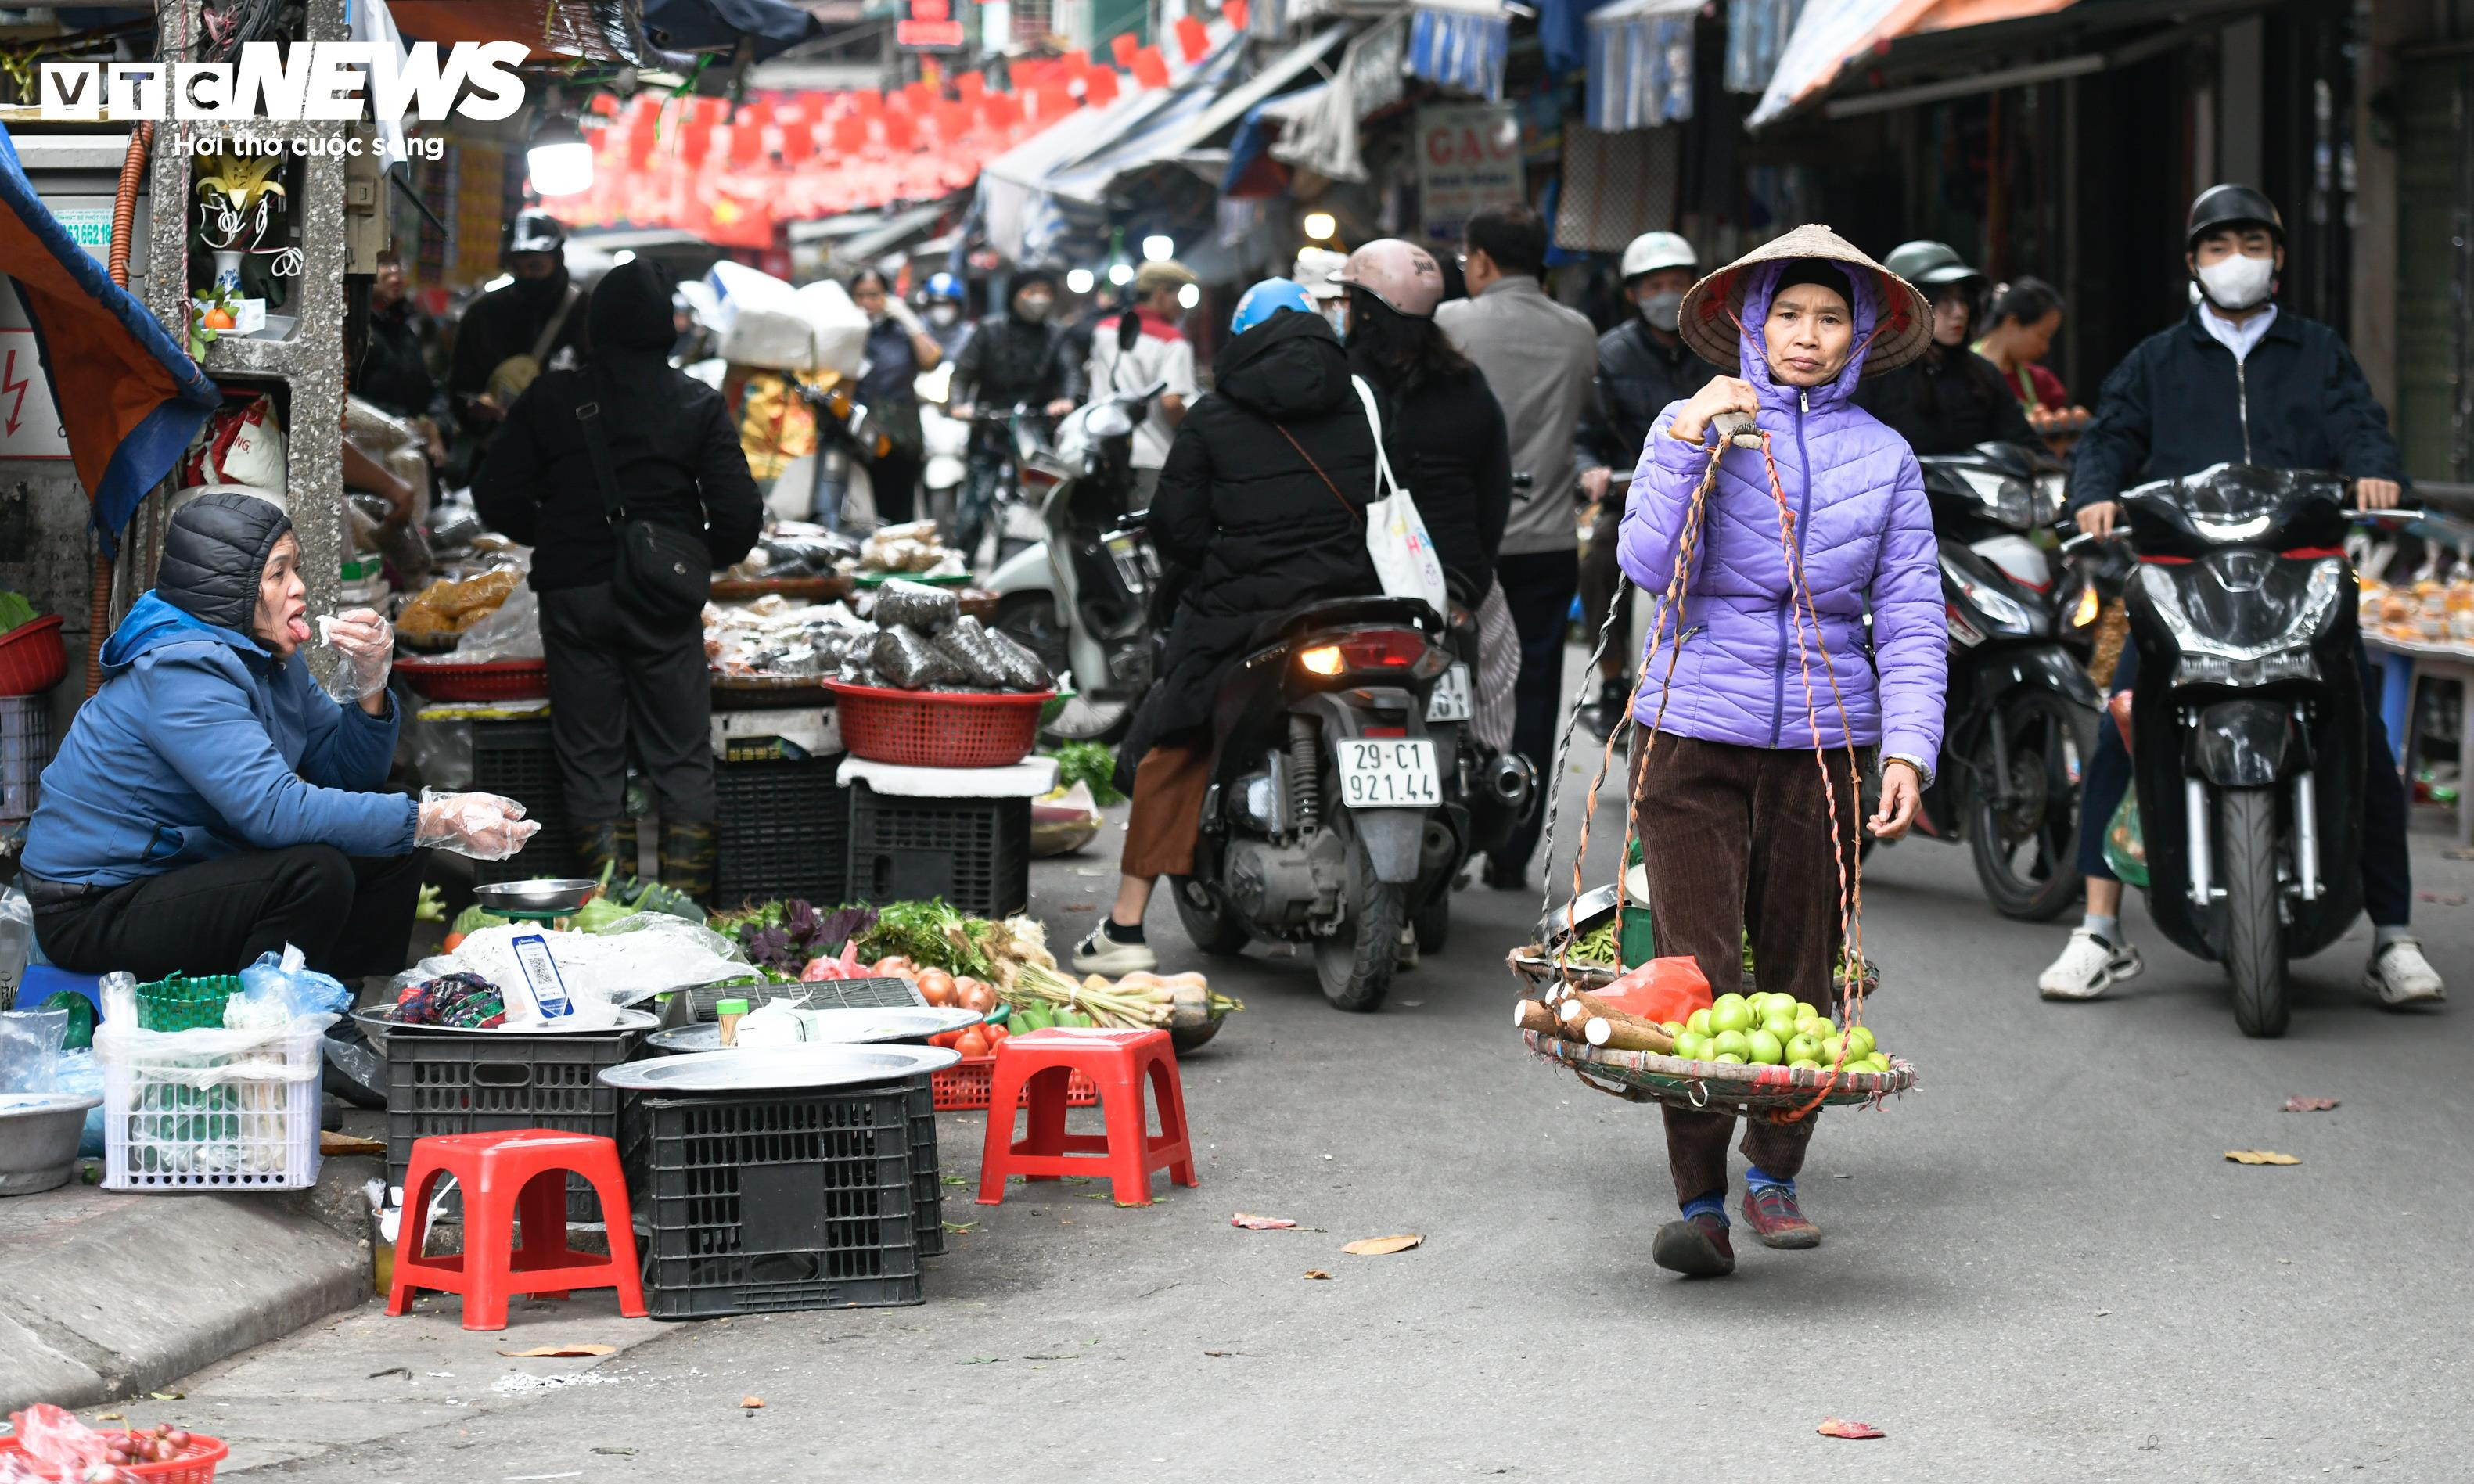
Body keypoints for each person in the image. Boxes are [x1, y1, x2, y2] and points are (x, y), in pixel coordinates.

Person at [1622, 227, 1944, 1277]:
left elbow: (1910, 614)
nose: (1808, 336)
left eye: (1831, 318)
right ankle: (1699, 1201)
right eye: (1790, 315)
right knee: (1696, 976)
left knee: (1801, 971)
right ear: (1753, 325)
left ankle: (1774, 1172)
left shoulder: (1885, 458)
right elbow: (1647, 564)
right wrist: (1690, 440)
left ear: (1860, 336)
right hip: (1691, 733)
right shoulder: (1690, 423)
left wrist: (1908, 749)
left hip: (1824, 741)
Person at [2040, 183, 2443, 1006]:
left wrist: (2377, 474)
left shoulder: (2318, 351)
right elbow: (2109, 438)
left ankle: (2394, 937)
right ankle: (2100, 929)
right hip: (2179, 580)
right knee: (2122, 724)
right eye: (2219, 247)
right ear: (2194, 263)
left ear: (2278, 257)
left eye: (2252, 244)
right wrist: (2093, 492)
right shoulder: (2155, 360)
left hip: (2302, 575)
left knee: (2363, 735)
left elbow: (2362, 426)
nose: (2237, 261)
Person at [19, 490, 534, 985]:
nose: (299, 588)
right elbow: (273, 811)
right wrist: (436, 819)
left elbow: (349, 778)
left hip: (181, 871)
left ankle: (348, 1003)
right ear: (232, 590)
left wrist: (370, 685)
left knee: (393, 830)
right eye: (279, 573)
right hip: (95, 904)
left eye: (296, 568)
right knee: (316, 872)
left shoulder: (268, 657)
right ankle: (270, 1022)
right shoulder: (180, 671)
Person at [1070, 280, 1383, 974]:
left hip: (1242, 612)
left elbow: (1177, 530)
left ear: (1242, 338)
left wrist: (1225, 552)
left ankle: (1126, 927)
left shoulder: (1214, 414)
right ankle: (1404, 921)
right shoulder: (1360, 403)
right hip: (1349, 600)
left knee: (1175, 739)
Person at [473, 258, 764, 901]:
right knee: (681, 757)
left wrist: (552, 532)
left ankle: (606, 912)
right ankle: (685, 915)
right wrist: (695, 555)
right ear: (667, 327)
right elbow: (741, 514)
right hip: (663, 601)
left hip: (574, 597)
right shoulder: (697, 402)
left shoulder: (551, 397)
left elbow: (493, 493)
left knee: (590, 758)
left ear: (596, 325)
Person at [1435, 203, 1598, 891]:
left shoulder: (1451, 322)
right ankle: (1512, 847)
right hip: (1546, 540)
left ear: (1480, 261)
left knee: (1449, 684)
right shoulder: (1579, 331)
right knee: (1532, 692)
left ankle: (1446, 837)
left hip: (1465, 542)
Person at [1337, 239, 1516, 761]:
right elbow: (1494, 496)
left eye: (1349, 300)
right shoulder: (1465, 381)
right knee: (1497, 675)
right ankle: (1493, 772)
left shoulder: (1339, 381)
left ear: (1365, 308)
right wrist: (1472, 569)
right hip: (1458, 579)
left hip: (1359, 581)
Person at [1574, 232, 1713, 732]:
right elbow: (1584, 434)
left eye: (1677, 283)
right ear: (1632, 294)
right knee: (1600, 558)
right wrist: (1590, 469)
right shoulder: (1609, 355)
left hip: (1716, 494)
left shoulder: (1718, 348)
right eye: (1655, 286)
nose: (1667, 295)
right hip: (1634, 493)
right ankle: (1613, 677)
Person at [948, 267, 1083, 564]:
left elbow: (1071, 372)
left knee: (1048, 503)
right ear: (1014, 295)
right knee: (976, 503)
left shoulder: (1057, 334)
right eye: (1031, 291)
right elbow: (962, 374)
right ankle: (961, 564)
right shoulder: (989, 330)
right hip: (989, 426)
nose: (1039, 299)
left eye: (1046, 292)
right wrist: (959, 405)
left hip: (1037, 431)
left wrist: (1066, 401)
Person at [1851, 240, 2034, 455]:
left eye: (1963, 300)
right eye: (1943, 300)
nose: (1959, 312)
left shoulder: (1982, 373)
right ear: (1905, 304)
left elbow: (2027, 446)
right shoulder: (1872, 373)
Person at [445, 211, 586, 476]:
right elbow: (460, 386)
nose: (527, 276)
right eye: (518, 268)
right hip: (501, 456)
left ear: (558, 258)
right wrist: (477, 410)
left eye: (536, 267)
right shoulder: (483, 313)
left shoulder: (585, 312)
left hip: (570, 459)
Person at [1084, 260, 1202, 507]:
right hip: (1151, 457)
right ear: (1161, 293)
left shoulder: (1103, 330)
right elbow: (1172, 403)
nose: (1182, 305)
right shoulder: (1173, 341)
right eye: (1180, 295)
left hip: (1099, 453)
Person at [850, 268, 942, 526]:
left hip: (900, 436)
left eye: (874, 295)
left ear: (886, 297)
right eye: (860, 295)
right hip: (856, 435)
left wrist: (909, 322)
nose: (867, 302)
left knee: (900, 512)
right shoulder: (848, 332)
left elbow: (931, 360)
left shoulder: (900, 332)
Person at [356, 249, 447, 464]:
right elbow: (351, 401)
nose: (394, 270)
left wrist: (436, 424)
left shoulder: (405, 331)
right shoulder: (353, 330)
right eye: (383, 262)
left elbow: (428, 390)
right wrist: (405, 423)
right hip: (369, 455)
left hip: (408, 452)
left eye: (397, 262)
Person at [1972, 277, 2069, 413]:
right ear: (2012, 322)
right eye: (2042, 335)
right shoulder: (1960, 373)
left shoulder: (2042, 384)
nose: (2045, 348)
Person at [919, 271, 974, 362]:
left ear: (959, 306)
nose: (941, 309)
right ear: (927, 306)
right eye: (936, 304)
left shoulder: (970, 336)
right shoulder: (917, 331)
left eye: (947, 303)